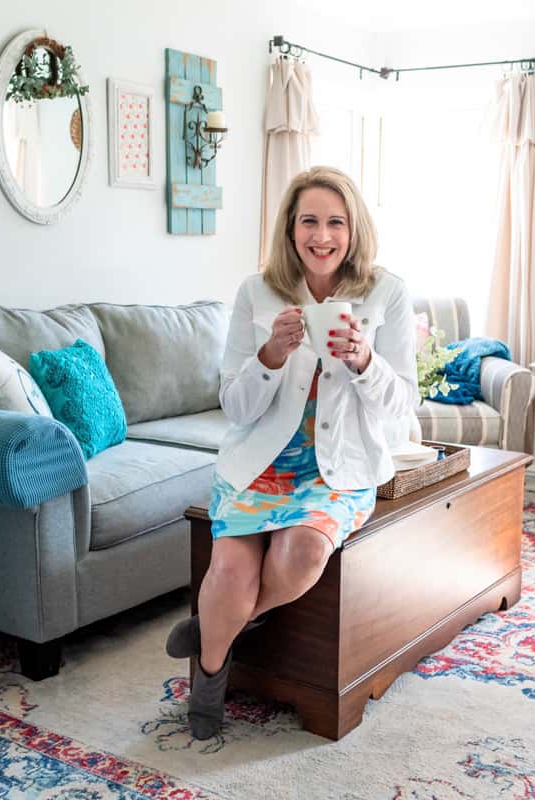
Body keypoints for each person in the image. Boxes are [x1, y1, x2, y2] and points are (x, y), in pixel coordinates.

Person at [165, 166, 419, 739]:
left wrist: (364, 362)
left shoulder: (388, 293)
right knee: (229, 568)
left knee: (302, 555)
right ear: (290, 227)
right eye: (309, 221)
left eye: (335, 222)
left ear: (353, 230)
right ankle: (207, 688)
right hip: (258, 461)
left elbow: (402, 404)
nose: (322, 236)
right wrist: (271, 356)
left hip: (340, 466)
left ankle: (213, 631)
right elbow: (234, 405)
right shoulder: (257, 292)